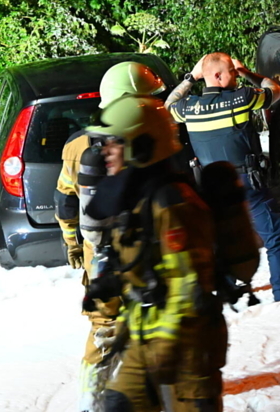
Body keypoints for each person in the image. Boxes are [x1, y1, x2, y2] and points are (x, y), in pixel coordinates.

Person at [86, 95, 224, 412]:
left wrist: (166, 343)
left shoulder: (174, 203)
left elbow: (188, 285)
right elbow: (144, 263)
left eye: (114, 142)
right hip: (145, 336)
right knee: (118, 405)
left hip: (187, 346)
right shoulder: (136, 198)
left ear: (141, 145)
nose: (104, 151)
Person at [54, 62, 165, 411]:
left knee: (104, 324)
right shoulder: (155, 135)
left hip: (99, 254)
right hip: (149, 249)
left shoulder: (78, 146)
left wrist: (72, 242)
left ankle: (91, 397)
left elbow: (64, 199)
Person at [165, 52, 280, 302]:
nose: (236, 76)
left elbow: (169, 105)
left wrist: (191, 78)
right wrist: (248, 72)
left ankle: (227, 291)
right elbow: (275, 90)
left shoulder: (187, 108)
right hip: (247, 182)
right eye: (232, 72)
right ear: (217, 76)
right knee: (274, 235)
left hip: (211, 187)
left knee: (222, 237)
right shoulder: (242, 98)